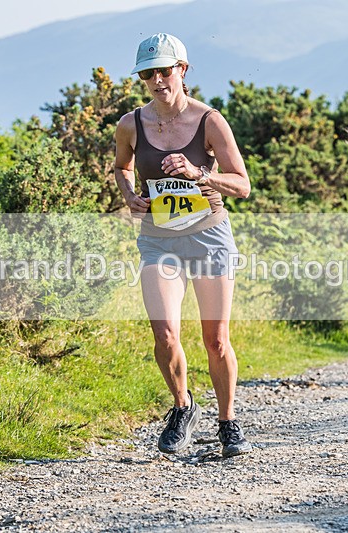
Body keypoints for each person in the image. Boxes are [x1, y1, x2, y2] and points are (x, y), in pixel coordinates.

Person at [113, 33, 252, 458]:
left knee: (216, 339)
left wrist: (200, 174)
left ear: (183, 71)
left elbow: (243, 185)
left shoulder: (210, 120)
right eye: (148, 73)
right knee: (166, 333)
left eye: (164, 71)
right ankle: (183, 407)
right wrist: (128, 195)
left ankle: (228, 422)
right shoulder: (130, 123)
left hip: (208, 233)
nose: (157, 80)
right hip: (159, 237)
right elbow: (121, 166)